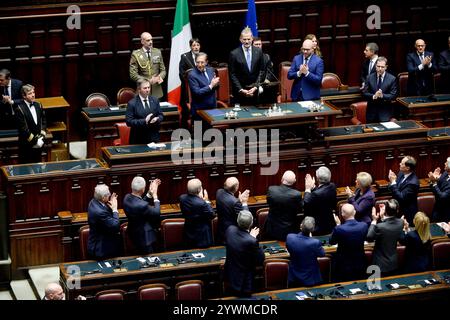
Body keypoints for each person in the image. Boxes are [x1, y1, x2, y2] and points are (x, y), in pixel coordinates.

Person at [224, 210, 264, 297]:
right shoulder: (251, 240)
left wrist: (250, 237)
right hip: (244, 281)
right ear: (251, 223)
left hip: (229, 275)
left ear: (237, 220)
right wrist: (252, 237)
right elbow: (260, 259)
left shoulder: (229, 230)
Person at [329, 203, 369, 282]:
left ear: (342, 215)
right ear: (354, 212)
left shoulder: (339, 229)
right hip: (360, 264)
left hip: (343, 266)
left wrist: (337, 224)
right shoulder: (364, 226)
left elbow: (332, 242)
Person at [122, 177, 161, 254]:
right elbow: (156, 212)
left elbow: (139, 203)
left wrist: (149, 193)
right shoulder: (143, 206)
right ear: (143, 189)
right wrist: (155, 196)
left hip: (132, 233)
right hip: (144, 238)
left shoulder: (126, 198)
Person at [367, 199, 404, 276]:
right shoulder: (401, 222)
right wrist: (383, 218)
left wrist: (374, 220)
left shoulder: (380, 226)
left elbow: (369, 237)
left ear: (385, 211)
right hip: (393, 263)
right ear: (397, 210)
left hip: (380, 265)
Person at [228, 27, 265, 105]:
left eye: (248, 39)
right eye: (244, 39)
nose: (247, 41)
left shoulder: (258, 51)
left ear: (252, 39)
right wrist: (241, 89)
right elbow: (232, 74)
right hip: (240, 93)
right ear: (240, 39)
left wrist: (255, 87)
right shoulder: (234, 54)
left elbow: (262, 71)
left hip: (255, 91)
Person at [286, 216, 325, 287]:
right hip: (310, 279)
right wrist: (310, 238)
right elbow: (322, 254)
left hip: (293, 277)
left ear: (301, 226)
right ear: (312, 230)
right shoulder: (315, 242)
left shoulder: (290, 237)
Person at [265, 170, 302, 241]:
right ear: (294, 181)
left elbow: (268, 202)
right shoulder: (297, 194)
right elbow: (300, 209)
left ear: (282, 179)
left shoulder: (271, 190)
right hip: (289, 232)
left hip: (272, 230)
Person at [87, 184, 121, 260]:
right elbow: (115, 225)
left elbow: (105, 214)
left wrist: (110, 206)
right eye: (108, 195)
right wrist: (115, 209)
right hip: (101, 248)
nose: (109, 196)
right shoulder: (99, 212)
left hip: (99, 242)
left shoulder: (93, 202)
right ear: (103, 198)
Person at [15, 84, 47, 164]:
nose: (33, 95)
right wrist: (35, 141)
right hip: (26, 145)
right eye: (30, 93)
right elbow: (24, 129)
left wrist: (41, 138)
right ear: (24, 96)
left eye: (33, 92)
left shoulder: (38, 105)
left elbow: (43, 122)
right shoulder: (19, 109)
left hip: (39, 144)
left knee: (38, 168)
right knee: (26, 170)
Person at [125, 78, 163, 144]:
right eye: (145, 88)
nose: (147, 90)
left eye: (148, 87)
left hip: (154, 138)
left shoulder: (155, 100)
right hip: (138, 139)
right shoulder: (132, 103)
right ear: (139, 89)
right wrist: (144, 121)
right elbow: (129, 122)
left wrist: (157, 118)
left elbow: (161, 115)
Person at [180, 178, 215, 248]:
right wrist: (206, 201)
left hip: (189, 232)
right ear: (199, 190)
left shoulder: (182, 198)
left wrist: (199, 199)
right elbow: (212, 214)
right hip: (202, 237)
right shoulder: (202, 203)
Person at [129, 32, 166, 99]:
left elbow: (163, 70)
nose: (151, 42)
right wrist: (147, 81)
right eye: (148, 40)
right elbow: (133, 74)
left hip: (156, 91)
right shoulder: (136, 54)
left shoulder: (157, 52)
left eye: (151, 40)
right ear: (142, 41)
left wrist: (159, 77)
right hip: (142, 91)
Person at [362, 56, 398, 123]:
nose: (380, 69)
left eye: (382, 67)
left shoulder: (392, 79)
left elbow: (393, 95)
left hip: (385, 113)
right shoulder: (369, 77)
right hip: (371, 113)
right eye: (378, 66)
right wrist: (373, 96)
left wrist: (382, 95)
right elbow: (364, 93)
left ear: (386, 67)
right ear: (375, 66)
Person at [303, 166, 337, 235]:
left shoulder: (316, 194)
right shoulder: (332, 186)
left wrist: (307, 189)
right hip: (330, 224)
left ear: (317, 179)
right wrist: (313, 187)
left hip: (318, 227)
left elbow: (306, 202)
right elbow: (321, 193)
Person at [216, 177, 250, 243]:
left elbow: (230, 204)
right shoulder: (235, 202)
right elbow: (246, 219)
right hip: (233, 234)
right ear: (236, 187)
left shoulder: (219, 192)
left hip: (221, 231)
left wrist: (238, 200)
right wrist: (244, 202)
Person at [187, 52, 220, 121]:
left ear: (206, 62)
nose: (199, 65)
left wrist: (216, 83)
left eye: (202, 62)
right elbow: (197, 92)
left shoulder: (211, 70)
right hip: (199, 111)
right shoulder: (192, 75)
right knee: (198, 131)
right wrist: (211, 85)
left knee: (212, 131)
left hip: (212, 108)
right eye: (197, 62)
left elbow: (216, 87)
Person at [388, 155, 419, 225]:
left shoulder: (413, 183)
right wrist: (392, 181)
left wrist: (393, 182)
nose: (399, 164)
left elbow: (402, 198)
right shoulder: (401, 173)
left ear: (407, 168)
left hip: (407, 215)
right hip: (397, 211)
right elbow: (392, 188)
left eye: (402, 163)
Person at [179, 38, 201, 128]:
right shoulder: (184, 57)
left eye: (198, 45)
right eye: (194, 45)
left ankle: (198, 130)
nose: (196, 47)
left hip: (200, 89)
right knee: (186, 112)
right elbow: (181, 73)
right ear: (190, 47)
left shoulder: (203, 56)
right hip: (187, 90)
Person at [252, 37, 278, 104]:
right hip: (252, 86)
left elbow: (270, 71)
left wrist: (266, 80)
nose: (258, 46)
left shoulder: (266, 57)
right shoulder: (249, 58)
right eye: (256, 44)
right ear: (252, 46)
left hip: (264, 85)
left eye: (259, 44)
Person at [428, 157, 450, 222]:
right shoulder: (445, 173)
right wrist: (434, 180)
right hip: (437, 208)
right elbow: (435, 189)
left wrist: (434, 183)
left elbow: (442, 197)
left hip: (446, 213)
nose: (444, 163)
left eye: (446, 162)